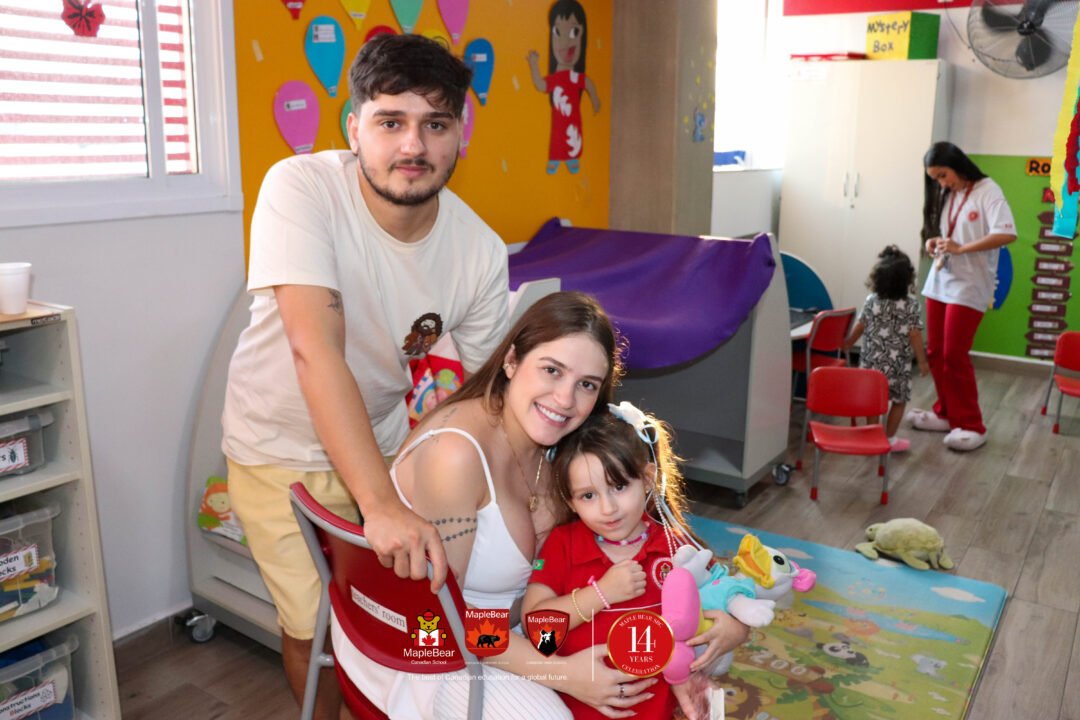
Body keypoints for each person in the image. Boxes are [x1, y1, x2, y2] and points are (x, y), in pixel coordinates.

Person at [220, 34, 509, 718]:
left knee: (393, 612)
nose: (413, 145)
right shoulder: (301, 188)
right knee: (317, 624)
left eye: (436, 124)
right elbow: (315, 352)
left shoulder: (479, 250)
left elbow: (487, 397)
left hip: (382, 438)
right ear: (354, 129)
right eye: (390, 121)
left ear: (460, 134)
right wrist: (380, 506)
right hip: (276, 448)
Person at [330, 292, 750, 720]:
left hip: (527, 627)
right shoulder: (454, 457)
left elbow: (657, 539)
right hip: (428, 646)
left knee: (688, 654)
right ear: (512, 360)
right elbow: (440, 618)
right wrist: (561, 673)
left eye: (586, 384)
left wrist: (729, 619)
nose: (565, 399)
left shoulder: (564, 442)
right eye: (552, 370)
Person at [524, 402, 748, 720]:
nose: (608, 508)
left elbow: (727, 597)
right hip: (574, 712)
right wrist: (601, 594)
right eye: (588, 495)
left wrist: (737, 629)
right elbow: (537, 629)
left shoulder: (676, 547)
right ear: (570, 501)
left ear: (647, 479)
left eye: (619, 486)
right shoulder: (563, 545)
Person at [907, 142, 1017, 452]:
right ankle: (946, 413)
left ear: (958, 165)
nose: (941, 184)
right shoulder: (949, 194)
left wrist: (961, 248)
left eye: (943, 175)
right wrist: (935, 242)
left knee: (954, 354)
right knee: (936, 351)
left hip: (970, 285)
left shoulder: (988, 190)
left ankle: (971, 424)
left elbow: (1007, 233)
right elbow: (950, 234)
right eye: (936, 179)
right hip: (941, 280)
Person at [843, 246, 930, 452]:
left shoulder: (872, 301)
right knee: (899, 401)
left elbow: (861, 326)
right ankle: (889, 439)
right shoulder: (911, 305)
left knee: (873, 401)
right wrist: (922, 361)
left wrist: (848, 342)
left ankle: (872, 436)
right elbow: (915, 335)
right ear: (907, 279)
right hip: (898, 366)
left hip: (871, 363)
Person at [526, 0, 601, 175]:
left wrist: (595, 99)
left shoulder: (575, 77)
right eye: (558, 32)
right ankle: (555, 157)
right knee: (557, 135)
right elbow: (541, 85)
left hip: (574, 120)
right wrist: (534, 65)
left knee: (573, 135)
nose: (565, 41)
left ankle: (572, 156)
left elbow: (587, 82)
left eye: (574, 32)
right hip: (559, 122)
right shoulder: (556, 79)